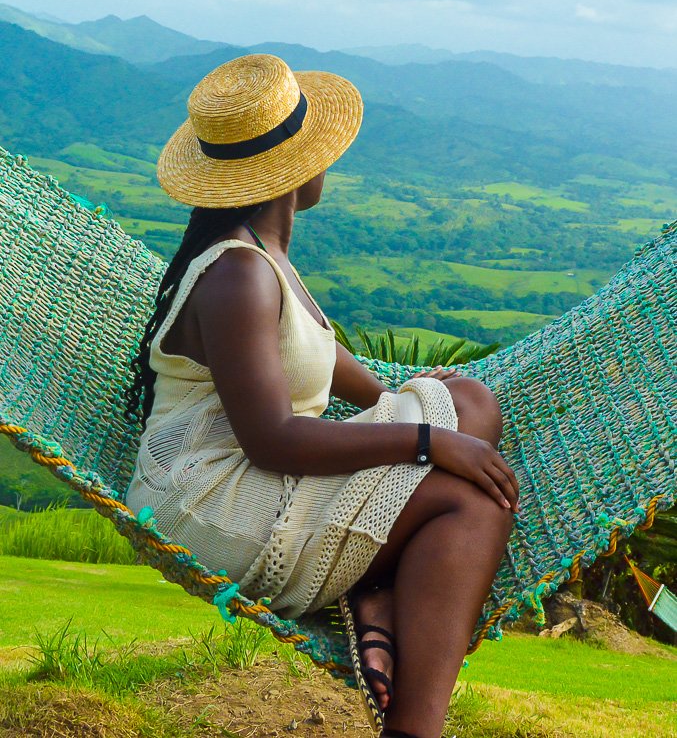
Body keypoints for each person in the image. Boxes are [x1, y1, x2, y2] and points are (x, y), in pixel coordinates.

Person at [124, 54, 519, 738]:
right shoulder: (237, 275)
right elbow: (272, 441)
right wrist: (427, 437)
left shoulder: (257, 251)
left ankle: (379, 591)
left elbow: (311, 350)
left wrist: (398, 396)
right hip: (215, 501)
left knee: (471, 400)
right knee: (470, 503)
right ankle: (413, 726)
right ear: (299, 169)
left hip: (264, 471)